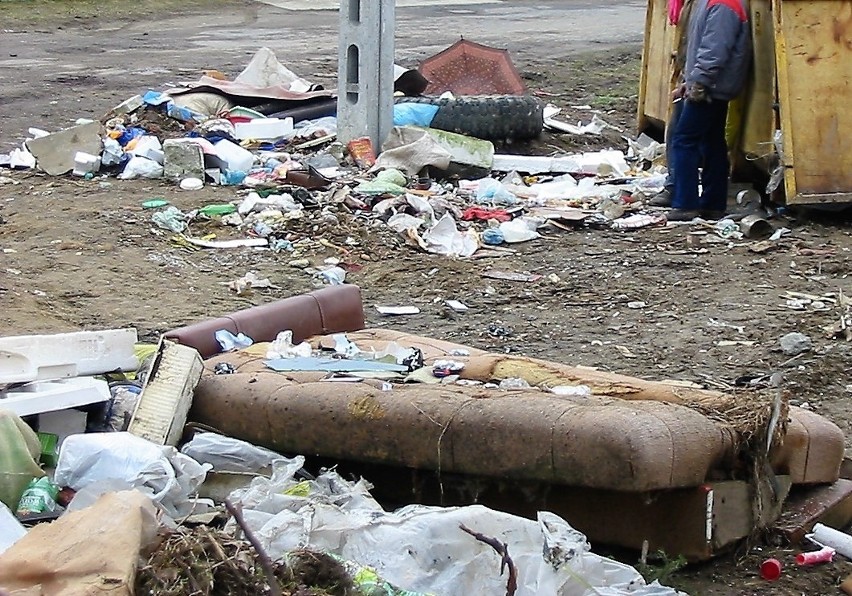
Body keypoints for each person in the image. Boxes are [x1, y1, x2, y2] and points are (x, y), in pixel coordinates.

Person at [666, 0, 752, 221]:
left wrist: (698, 83)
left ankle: (685, 203)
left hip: (709, 87)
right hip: (713, 85)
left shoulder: (723, 4)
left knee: (684, 139)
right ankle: (712, 204)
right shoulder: (717, 3)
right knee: (712, 142)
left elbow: (714, 50)